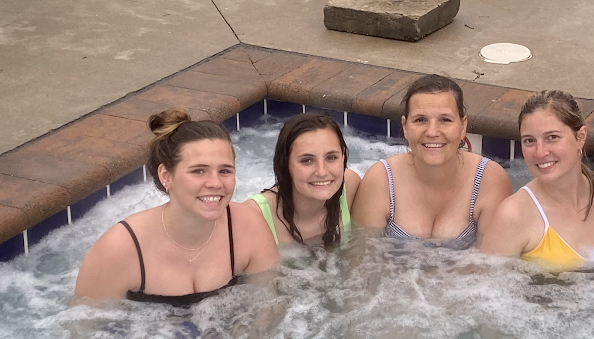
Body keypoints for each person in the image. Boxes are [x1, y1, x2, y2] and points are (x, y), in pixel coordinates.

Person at [73, 108, 278, 304]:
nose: (216, 183)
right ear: (166, 176)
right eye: (199, 171)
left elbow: (270, 308)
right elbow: (85, 324)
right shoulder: (120, 248)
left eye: (225, 171)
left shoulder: (248, 227)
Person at [353, 74, 513, 248]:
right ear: (405, 126)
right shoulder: (381, 179)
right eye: (420, 120)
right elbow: (361, 258)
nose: (432, 132)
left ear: (463, 126)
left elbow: (495, 261)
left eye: (445, 120)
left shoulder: (488, 179)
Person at [481, 90, 594, 271]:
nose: (540, 152)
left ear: (580, 137)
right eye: (529, 141)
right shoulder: (513, 216)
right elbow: (487, 284)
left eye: (552, 137)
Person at [249, 111, 362, 250]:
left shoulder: (350, 187)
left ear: (343, 156)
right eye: (307, 160)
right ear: (285, 164)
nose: (322, 172)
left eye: (331, 157)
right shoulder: (253, 217)